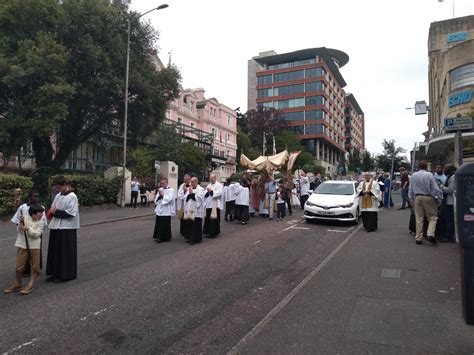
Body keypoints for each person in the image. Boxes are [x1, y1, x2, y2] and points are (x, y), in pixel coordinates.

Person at [4, 204, 45, 295]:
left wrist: (28, 229)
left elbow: (37, 234)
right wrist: (20, 223)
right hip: (23, 245)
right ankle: (18, 284)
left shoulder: (41, 222)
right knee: (19, 268)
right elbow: (19, 231)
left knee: (35, 267)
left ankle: (30, 284)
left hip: (34, 246)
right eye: (40, 213)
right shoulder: (25, 218)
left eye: (42, 212)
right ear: (33, 213)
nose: (42, 214)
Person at [46, 176, 80, 283]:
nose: (58, 189)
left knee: (64, 253)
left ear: (65, 185)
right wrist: (52, 211)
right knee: (55, 251)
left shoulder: (72, 196)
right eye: (57, 187)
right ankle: (55, 273)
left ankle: (66, 275)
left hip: (67, 227)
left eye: (59, 187)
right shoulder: (58, 196)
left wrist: (55, 212)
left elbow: (71, 213)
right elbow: (52, 209)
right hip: (56, 226)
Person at [11, 190, 48, 277]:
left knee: (35, 251)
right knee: (24, 251)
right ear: (29, 197)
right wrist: (22, 225)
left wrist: (34, 229)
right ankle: (25, 269)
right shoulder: (22, 207)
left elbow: (42, 221)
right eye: (34, 196)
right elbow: (17, 220)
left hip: (35, 232)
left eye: (37, 196)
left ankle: (35, 268)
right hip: (24, 233)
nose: (36, 198)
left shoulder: (41, 208)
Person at [409, 160, 443, 245]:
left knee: (419, 218)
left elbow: (411, 188)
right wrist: (439, 198)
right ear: (426, 167)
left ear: (418, 167)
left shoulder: (413, 175)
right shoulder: (429, 175)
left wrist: (411, 199)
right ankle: (430, 234)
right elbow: (435, 188)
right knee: (432, 217)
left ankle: (418, 238)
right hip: (428, 197)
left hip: (417, 197)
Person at [183, 177, 205, 245]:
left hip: (196, 210)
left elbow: (200, 198)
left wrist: (192, 194)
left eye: (192, 182)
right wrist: (187, 193)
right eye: (191, 182)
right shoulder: (190, 188)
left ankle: (195, 238)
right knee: (189, 224)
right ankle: (189, 237)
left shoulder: (201, 189)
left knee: (195, 224)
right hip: (190, 209)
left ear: (196, 182)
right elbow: (185, 198)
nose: (191, 183)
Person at [152, 178, 175, 243]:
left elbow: (170, 200)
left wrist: (163, 195)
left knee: (165, 224)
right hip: (160, 209)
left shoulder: (171, 190)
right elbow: (156, 198)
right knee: (159, 223)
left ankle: (165, 237)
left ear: (166, 183)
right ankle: (158, 236)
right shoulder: (160, 189)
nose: (161, 184)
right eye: (160, 183)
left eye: (162, 183)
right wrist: (159, 197)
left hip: (166, 209)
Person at [439, 165, 456, 242]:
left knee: (449, 219)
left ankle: (449, 236)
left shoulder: (452, 177)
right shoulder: (450, 176)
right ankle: (445, 234)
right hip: (447, 201)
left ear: (450, 169)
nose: (444, 170)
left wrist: (442, 187)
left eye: (445, 169)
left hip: (449, 202)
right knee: (444, 218)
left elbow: (451, 190)